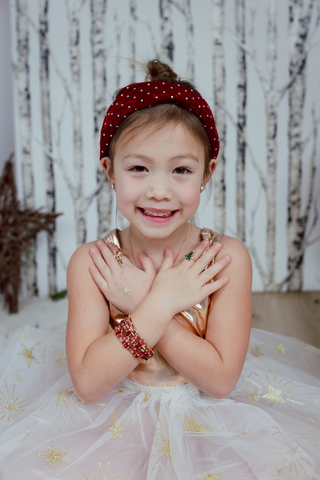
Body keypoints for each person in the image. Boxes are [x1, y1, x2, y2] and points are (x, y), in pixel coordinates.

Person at [0, 60, 319, 480]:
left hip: (209, 415)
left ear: (208, 173)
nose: (158, 190)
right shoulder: (93, 263)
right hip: (113, 417)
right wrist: (159, 304)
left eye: (181, 170)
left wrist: (147, 303)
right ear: (109, 171)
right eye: (138, 168)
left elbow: (220, 381)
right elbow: (91, 384)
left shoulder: (225, 258)